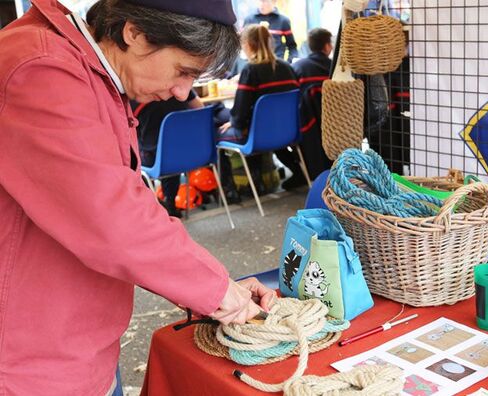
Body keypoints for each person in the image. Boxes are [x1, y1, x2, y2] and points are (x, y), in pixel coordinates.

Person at [0, 1, 275, 394]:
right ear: (135, 33)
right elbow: (113, 219)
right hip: (30, 364)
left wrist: (215, 286)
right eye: (183, 72)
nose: (183, 93)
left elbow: (128, 206)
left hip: (80, 342)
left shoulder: (89, 72)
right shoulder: (40, 68)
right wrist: (216, 290)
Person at [219, 24, 299, 191]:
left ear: (248, 44)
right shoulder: (287, 67)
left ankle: (233, 190)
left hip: (259, 136)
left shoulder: (250, 70)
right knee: (263, 131)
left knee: (218, 133)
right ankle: (299, 173)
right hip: (287, 132)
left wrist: (234, 122)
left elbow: (241, 110)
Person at [278, 27, 334, 188]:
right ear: (327, 46)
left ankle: (300, 173)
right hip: (336, 126)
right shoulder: (335, 69)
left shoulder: (298, 68)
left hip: (306, 127)